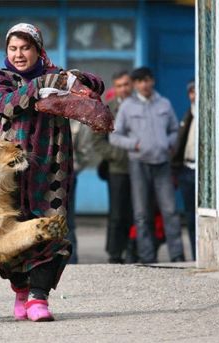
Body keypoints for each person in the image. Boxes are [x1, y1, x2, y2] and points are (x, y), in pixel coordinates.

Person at [0, 22, 104, 321]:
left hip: (51, 168)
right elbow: (7, 105)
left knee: (51, 228)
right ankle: (21, 289)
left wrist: (77, 78)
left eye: (25, 48)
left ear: (38, 50)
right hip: (7, 173)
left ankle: (39, 297)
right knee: (5, 233)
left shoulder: (56, 76)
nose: (19, 54)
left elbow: (96, 87)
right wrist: (40, 86)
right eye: (13, 48)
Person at [110, 67, 185, 263]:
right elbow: (115, 136)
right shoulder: (127, 106)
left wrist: (167, 143)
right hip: (138, 164)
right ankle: (147, 256)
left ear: (152, 81)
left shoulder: (164, 104)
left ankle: (177, 255)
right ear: (135, 85)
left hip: (162, 164)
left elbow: (174, 130)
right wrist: (134, 144)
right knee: (142, 213)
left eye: (147, 80)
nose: (144, 84)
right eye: (140, 81)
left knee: (170, 211)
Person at [92, 70, 134, 264]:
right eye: (119, 86)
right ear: (114, 88)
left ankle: (136, 251)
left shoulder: (141, 107)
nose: (123, 89)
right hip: (118, 170)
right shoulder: (108, 110)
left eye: (126, 84)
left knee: (139, 212)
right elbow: (98, 142)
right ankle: (115, 253)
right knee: (117, 213)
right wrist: (118, 155)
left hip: (142, 167)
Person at [172, 79, 196, 260]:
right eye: (191, 92)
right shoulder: (188, 115)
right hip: (186, 169)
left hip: (201, 171)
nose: (194, 95)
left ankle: (200, 254)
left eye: (197, 91)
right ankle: (196, 254)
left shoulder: (212, 115)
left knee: (200, 214)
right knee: (190, 216)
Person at [66, 120, 94, 264]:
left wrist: (72, 169)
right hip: (42, 176)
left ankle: (71, 262)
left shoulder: (78, 122)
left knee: (67, 222)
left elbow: (85, 153)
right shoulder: (44, 113)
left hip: (67, 176)